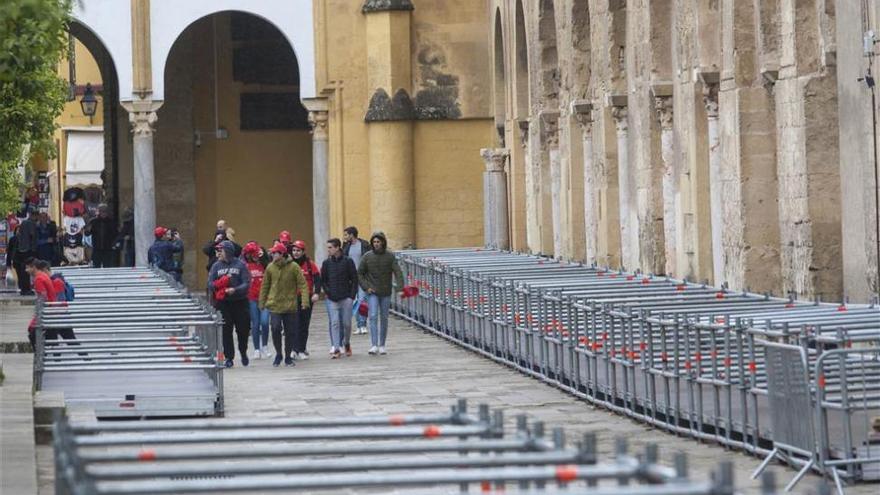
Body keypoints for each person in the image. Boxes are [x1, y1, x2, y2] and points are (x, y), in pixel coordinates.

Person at [259, 241, 309, 367]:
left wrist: (304, 301)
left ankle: (287, 356)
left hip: (290, 305)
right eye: (272, 253)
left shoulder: (293, 267)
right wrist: (262, 302)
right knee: (275, 328)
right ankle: (278, 353)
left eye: (275, 253)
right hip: (274, 304)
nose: (273, 255)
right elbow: (265, 286)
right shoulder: (270, 267)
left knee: (290, 331)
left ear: (282, 254)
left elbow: (302, 284)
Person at [357, 232, 404, 355]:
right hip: (372, 291)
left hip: (385, 291)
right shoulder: (367, 256)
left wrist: (400, 288)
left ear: (383, 242)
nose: (376, 244)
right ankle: (374, 344)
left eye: (378, 242)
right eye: (374, 242)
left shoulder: (390, 256)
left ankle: (382, 344)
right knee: (373, 316)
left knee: (384, 317)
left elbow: (398, 272)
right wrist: (366, 287)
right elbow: (360, 273)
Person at [208, 240, 252, 368]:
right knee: (226, 331)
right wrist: (217, 285)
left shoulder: (241, 265)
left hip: (240, 302)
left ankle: (243, 351)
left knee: (243, 330)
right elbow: (210, 283)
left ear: (228, 251)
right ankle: (229, 357)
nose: (218, 253)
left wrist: (235, 289)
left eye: (221, 250)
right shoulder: (216, 266)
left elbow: (246, 283)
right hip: (223, 303)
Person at [321, 238, 358, 358]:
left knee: (347, 323)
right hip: (332, 298)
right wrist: (328, 292)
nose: (328, 250)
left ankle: (346, 342)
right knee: (335, 323)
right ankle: (336, 348)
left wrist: (352, 296)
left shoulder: (348, 261)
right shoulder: (326, 263)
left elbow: (354, 279)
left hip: (346, 297)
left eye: (330, 247)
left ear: (337, 248)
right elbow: (324, 280)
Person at [290, 240, 321, 360]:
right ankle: (293, 349)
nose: (295, 253)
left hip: (307, 297)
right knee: (294, 323)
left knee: (304, 324)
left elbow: (317, 279)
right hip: (293, 298)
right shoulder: (289, 264)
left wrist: (316, 293)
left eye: (298, 250)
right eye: (294, 250)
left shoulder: (310, 264)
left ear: (303, 252)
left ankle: (302, 349)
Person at [243, 241, 271, 359]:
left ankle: (265, 345)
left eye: (255, 254)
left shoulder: (265, 265)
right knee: (255, 324)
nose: (253, 256)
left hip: (264, 299)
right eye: (251, 254)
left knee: (264, 322)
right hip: (251, 299)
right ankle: (256, 349)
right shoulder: (245, 266)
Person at [343, 226, 371, 334]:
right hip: (351, 276)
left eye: (346, 234)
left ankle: (363, 324)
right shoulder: (346, 246)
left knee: (362, 300)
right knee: (354, 301)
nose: (344, 237)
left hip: (363, 275)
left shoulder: (364, 244)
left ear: (351, 235)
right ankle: (358, 325)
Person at [14, 209, 37, 295]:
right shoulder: (30, 223)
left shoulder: (23, 223)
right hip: (28, 250)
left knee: (24, 270)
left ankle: (24, 289)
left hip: (22, 250)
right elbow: (32, 235)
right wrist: (33, 248)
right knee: (27, 270)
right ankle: (26, 289)